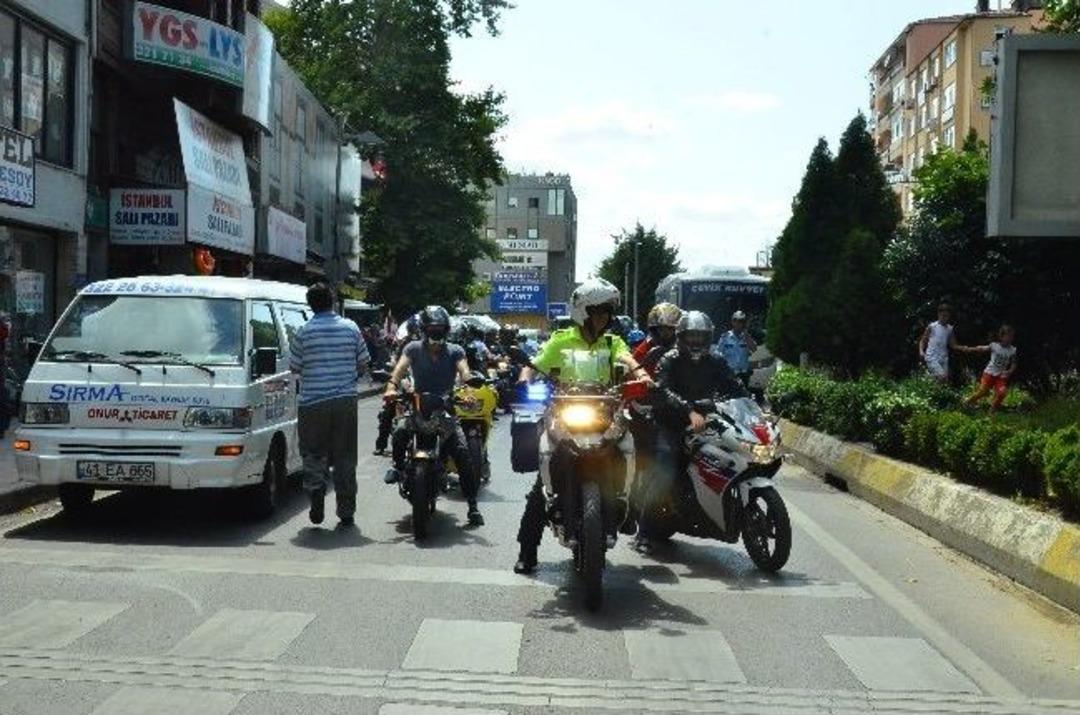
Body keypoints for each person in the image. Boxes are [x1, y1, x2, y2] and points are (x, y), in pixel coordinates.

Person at [512, 278, 651, 574]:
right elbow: (535, 364)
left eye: (606, 312)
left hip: (603, 415)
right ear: (582, 311)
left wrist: (641, 374)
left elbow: (627, 360)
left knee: (629, 448)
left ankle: (627, 505)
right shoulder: (561, 340)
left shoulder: (612, 342)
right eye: (596, 311)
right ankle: (527, 550)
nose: (602, 317)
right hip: (565, 414)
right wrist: (525, 379)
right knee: (541, 488)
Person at [636, 310, 747, 554]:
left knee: (734, 454)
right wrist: (688, 410)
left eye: (701, 337)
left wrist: (754, 407)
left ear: (708, 337)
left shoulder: (716, 360)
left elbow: (734, 385)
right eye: (691, 337)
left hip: (706, 421)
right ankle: (643, 532)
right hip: (670, 423)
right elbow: (662, 390)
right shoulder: (670, 359)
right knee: (664, 470)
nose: (696, 342)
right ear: (681, 337)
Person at [383, 305, 485, 527]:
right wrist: (391, 387)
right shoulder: (412, 349)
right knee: (400, 431)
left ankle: (472, 505)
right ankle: (398, 465)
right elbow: (399, 370)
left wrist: (468, 390)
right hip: (418, 404)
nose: (435, 334)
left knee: (463, 453)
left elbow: (464, 372)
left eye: (440, 330)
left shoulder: (456, 351)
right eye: (431, 329)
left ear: (446, 330)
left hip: (445, 407)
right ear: (423, 329)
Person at [289, 283, 371, 527]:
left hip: (312, 403)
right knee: (345, 457)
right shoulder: (351, 328)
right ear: (333, 301)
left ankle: (316, 488)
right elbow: (364, 363)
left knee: (313, 453)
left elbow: (294, 367)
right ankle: (346, 512)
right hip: (345, 402)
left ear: (310, 304)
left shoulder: (303, 331)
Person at [959, 325, 1018, 413]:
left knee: (1002, 392)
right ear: (1002, 336)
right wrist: (969, 349)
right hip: (989, 373)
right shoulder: (994, 346)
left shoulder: (1012, 350)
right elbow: (982, 348)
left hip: (1001, 376)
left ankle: (992, 410)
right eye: (1008, 336)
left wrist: (1009, 371)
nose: (1010, 338)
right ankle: (968, 401)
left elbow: (1014, 363)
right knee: (983, 392)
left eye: (1012, 336)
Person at [633, 302, 682, 377]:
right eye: (661, 329)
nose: (666, 332)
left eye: (670, 328)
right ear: (654, 330)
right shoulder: (644, 350)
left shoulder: (683, 347)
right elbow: (633, 370)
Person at [716, 310, 758, 388]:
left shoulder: (747, 337)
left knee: (743, 396)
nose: (738, 323)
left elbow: (754, 349)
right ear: (732, 322)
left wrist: (746, 335)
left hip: (744, 374)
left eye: (741, 321)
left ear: (743, 323)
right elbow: (718, 353)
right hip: (730, 373)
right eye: (735, 320)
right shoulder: (725, 337)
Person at [919, 303, 959, 383]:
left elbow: (953, 345)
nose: (944, 318)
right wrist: (921, 351)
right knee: (942, 377)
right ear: (938, 315)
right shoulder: (932, 326)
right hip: (931, 356)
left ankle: (930, 387)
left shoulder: (949, 329)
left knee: (943, 381)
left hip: (943, 357)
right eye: (943, 315)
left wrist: (966, 348)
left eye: (946, 316)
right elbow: (923, 341)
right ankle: (928, 381)